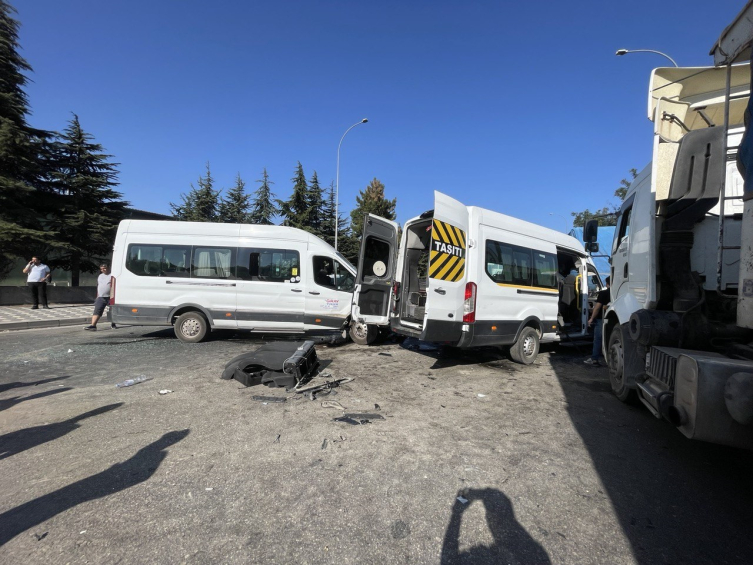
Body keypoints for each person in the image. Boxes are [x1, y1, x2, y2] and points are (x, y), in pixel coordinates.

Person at [585, 276, 610, 366]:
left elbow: (597, 307)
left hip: (601, 319)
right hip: (612, 320)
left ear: (607, 284)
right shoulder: (618, 293)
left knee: (598, 339)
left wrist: (591, 318)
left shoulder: (603, 293)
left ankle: (594, 359)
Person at [84, 264, 116, 331]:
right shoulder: (100, 276)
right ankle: (93, 325)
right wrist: (98, 295)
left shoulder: (112, 275)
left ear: (108, 268)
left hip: (111, 297)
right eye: (101, 269)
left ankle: (113, 323)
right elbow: (99, 285)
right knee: (97, 310)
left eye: (104, 268)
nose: (102, 270)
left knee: (112, 310)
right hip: (101, 297)